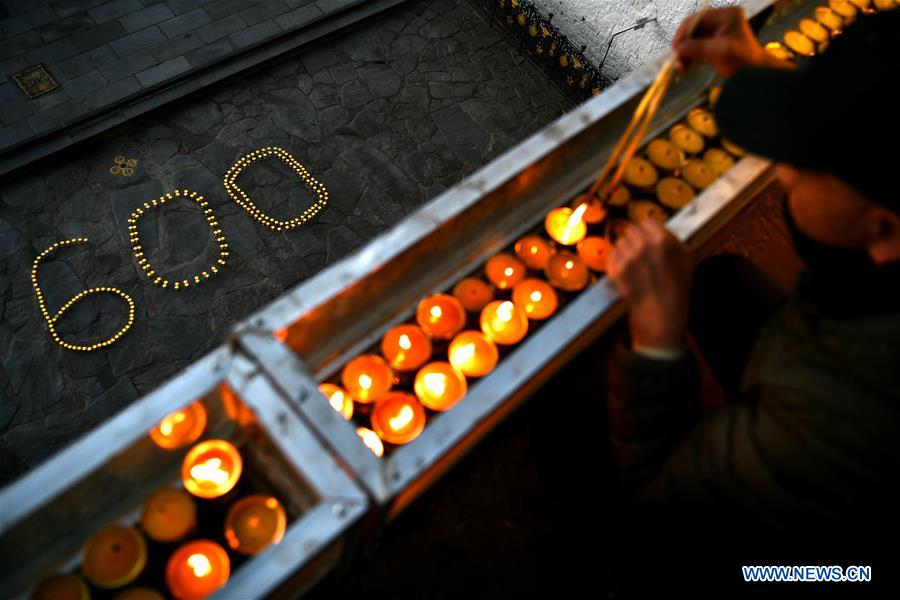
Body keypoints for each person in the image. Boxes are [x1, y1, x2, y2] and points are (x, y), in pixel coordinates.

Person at [604, 6, 900, 592]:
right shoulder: (875, 275)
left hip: (824, 569)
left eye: (806, 164)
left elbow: (660, 494)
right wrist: (762, 72)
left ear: (885, 230)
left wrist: (659, 344)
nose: (783, 173)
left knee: (570, 434)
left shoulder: (843, 419)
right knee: (720, 284)